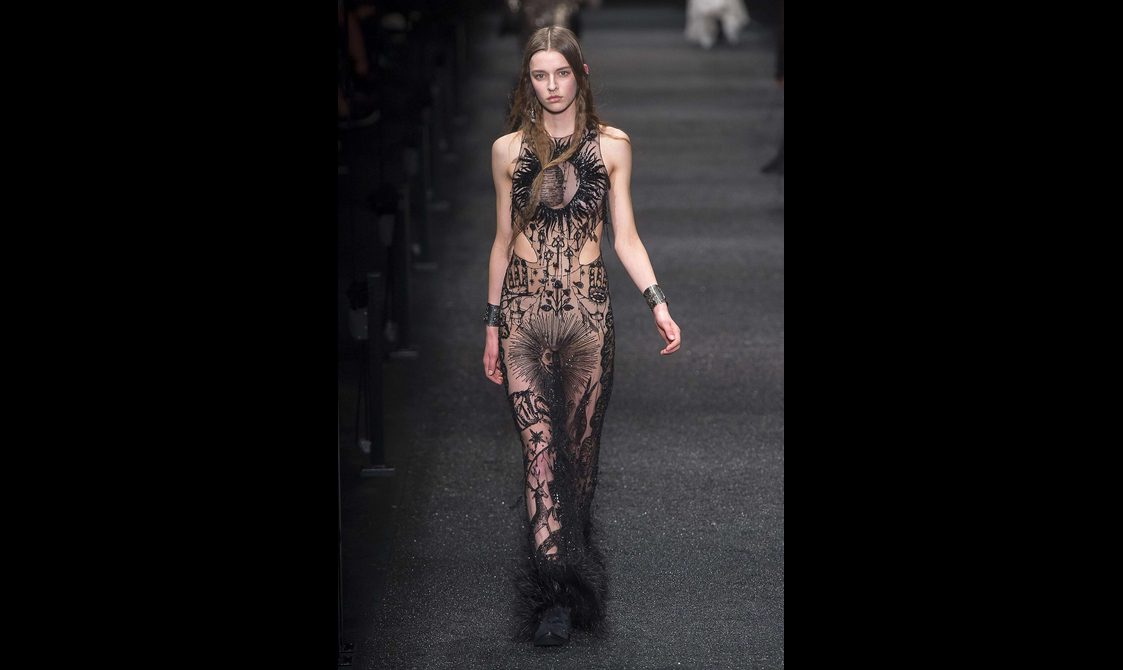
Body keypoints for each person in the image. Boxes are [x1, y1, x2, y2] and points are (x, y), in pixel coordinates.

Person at [482, 25, 682, 646]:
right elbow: (499, 241)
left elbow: (625, 236)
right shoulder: (507, 150)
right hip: (521, 313)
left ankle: (573, 574)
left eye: (560, 73)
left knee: (580, 461)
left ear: (581, 73)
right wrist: (490, 326)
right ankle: (553, 600)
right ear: (529, 81)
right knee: (539, 455)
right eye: (539, 76)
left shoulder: (614, 147)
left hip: (589, 318)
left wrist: (658, 302)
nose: (551, 86)